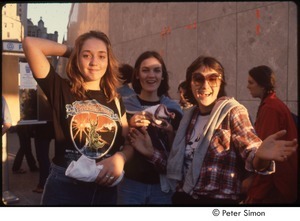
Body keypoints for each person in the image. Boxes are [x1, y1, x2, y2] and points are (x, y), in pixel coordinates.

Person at [167, 56, 298, 205]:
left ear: (220, 82)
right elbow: (177, 161)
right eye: (198, 78)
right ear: (190, 82)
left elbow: (252, 151)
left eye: (212, 79)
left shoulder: (232, 111)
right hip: (184, 199)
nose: (205, 85)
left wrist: (261, 157)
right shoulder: (189, 117)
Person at [22, 30, 133, 205]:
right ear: (77, 59)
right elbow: (30, 43)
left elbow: (129, 142)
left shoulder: (116, 99)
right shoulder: (60, 88)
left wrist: (121, 158)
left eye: (102, 56)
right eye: (87, 55)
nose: (94, 62)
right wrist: (73, 51)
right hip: (64, 187)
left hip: (104, 188)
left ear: (108, 61)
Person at [117, 51, 183, 205]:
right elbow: (114, 142)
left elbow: (179, 151)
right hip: (129, 183)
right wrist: (128, 125)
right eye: (145, 70)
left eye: (156, 70)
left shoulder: (173, 110)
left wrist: (169, 133)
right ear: (137, 75)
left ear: (163, 75)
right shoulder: (123, 106)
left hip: (162, 186)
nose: (151, 75)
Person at [243, 65, 298, 204]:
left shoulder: (271, 109)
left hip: (275, 188)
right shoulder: (271, 104)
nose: (247, 86)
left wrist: (255, 195)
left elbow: (266, 155)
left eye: (251, 82)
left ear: (262, 85)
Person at [12, 90, 39, 174]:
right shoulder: (29, 96)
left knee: (25, 146)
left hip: (23, 123)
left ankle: (32, 166)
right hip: (24, 123)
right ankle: (17, 167)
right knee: (25, 146)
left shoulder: (22, 94)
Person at [32, 121, 55, 193]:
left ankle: (44, 184)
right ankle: (45, 183)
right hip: (48, 128)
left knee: (42, 158)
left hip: (42, 130)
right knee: (43, 158)